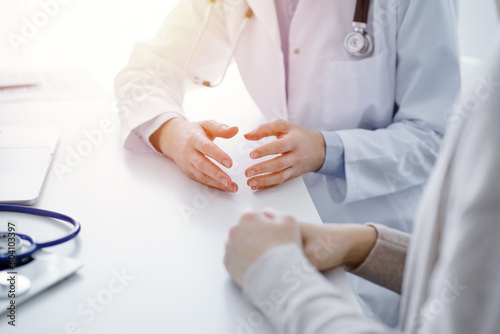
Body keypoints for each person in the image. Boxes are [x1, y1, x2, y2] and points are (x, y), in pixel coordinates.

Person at [114, 0, 460, 325]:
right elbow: (148, 67)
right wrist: (171, 132)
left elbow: (435, 136)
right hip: (272, 216)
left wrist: (327, 150)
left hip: (376, 240)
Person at [223, 26, 500, 333]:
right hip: (331, 222)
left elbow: (432, 132)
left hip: (379, 216)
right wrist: (365, 246)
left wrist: (276, 277)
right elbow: (474, 278)